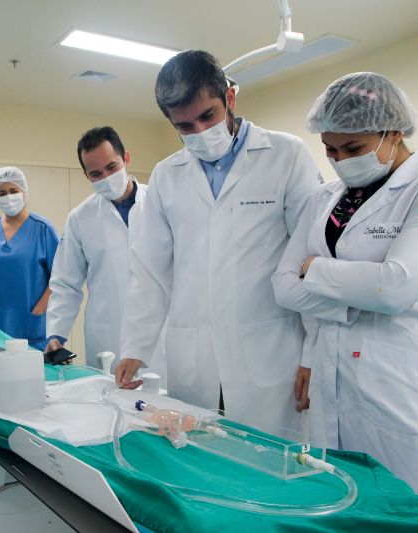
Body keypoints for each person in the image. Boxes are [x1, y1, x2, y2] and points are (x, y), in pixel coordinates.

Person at [272, 72, 418, 497]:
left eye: (354, 148)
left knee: (415, 511)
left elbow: (397, 287)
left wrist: (316, 269)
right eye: (330, 150)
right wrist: (360, 295)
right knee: (343, 503)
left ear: (393, 132)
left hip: (405, 388)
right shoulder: (324, 198)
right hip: (333, 380)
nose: (340, 160)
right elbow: (284, 287)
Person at [115, 50, 321, 434]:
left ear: (229, 97)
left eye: (207, 116)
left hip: (271, 351)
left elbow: (310, 260)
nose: (199, 131)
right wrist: (136, 348)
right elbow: (150, 272)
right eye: (184, 126)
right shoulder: (166, 176)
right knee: (200, 452)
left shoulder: (287, 156)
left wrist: (314, 353)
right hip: (195, 357)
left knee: (271, 458)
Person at [46, 127, 158, 370]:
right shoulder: (80, 218)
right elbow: (65, 283)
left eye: (112, 167)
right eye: (96, 174)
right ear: (86, 175)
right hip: (109, 332)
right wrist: (56, 334)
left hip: (160, 329)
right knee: (110, 390)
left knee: (163, 391)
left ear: (126, 158)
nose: (106, 177)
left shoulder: (159, 202)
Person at [0, 167, 59, 350]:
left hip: (31, 325)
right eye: (2, 193)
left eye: (13, 191)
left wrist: (39, 310)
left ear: (24, 192)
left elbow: (58, 277)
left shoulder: (43, 228)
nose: (8, 197)